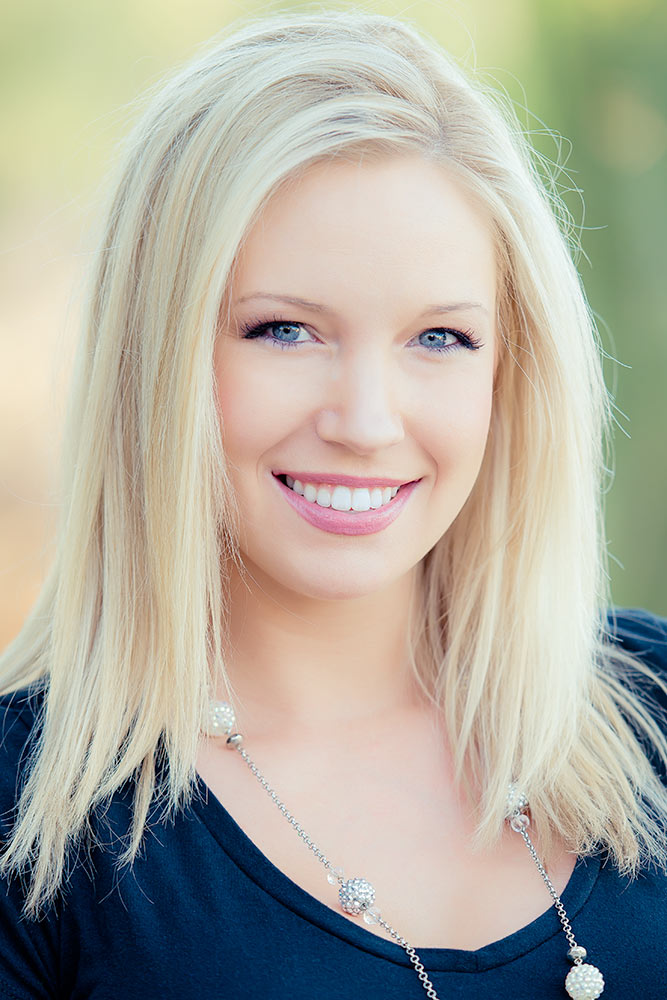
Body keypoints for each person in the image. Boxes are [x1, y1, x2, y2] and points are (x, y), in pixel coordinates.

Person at [0, 8, 665, 999]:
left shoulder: (651, 711)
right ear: (155, 355)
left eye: (439, 338)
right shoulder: (35, 825)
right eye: (283, 330)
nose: (363, 420)